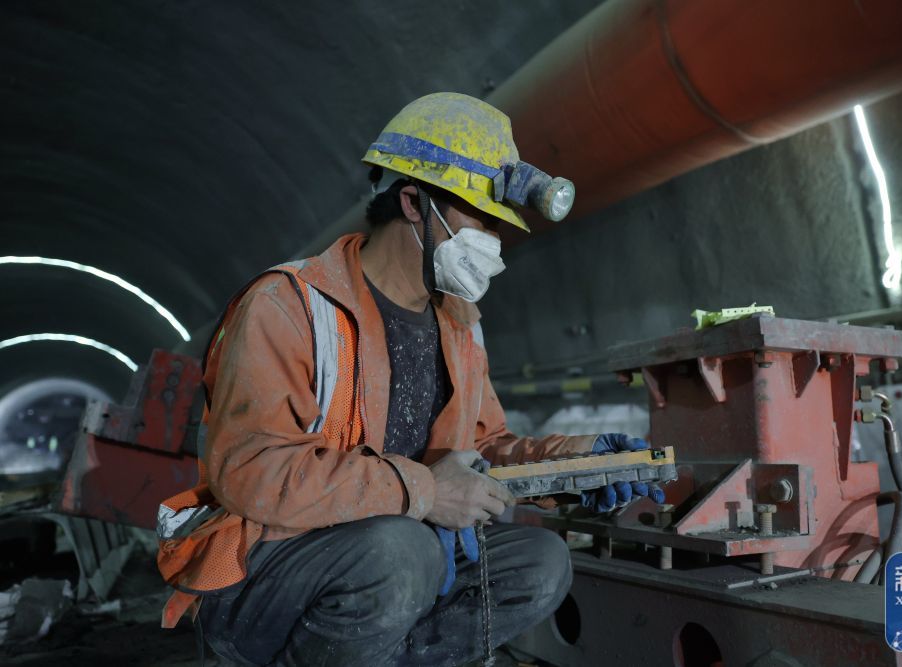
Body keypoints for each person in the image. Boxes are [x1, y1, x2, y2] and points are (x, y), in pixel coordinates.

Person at [155, 92, 662, 666]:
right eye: (480, 221)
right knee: (404, 552)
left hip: (399, 559)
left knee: (541, 562)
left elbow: (484, 450)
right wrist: (424, 492)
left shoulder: (460, 323)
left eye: (499, 227)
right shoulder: (289, 305)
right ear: (413, 203)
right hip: (269, 569)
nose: (492, 244)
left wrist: (577, 465)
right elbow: (252, 471)